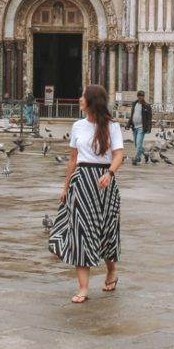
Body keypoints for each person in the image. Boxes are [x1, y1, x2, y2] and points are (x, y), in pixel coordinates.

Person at [48, 84, 124, 303]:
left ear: (92, 101)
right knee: (80, 232)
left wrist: (109, 173)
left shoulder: (112, 126)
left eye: (83, 97)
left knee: (106, 231)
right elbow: (73, 159)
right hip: (81, 182)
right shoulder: (78, 126)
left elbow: (118, 155)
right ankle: (83, 288)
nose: (79, 100)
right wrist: (64, 187)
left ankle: (111, 271)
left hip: (104, 184)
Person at [126, 90, 152, 166]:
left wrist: (149, 128)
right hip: (134, 127)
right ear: (137, 96)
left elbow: (149, 118)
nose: (141, 97)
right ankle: (146, 154)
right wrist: (128, 124)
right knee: (137, 145)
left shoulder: (147, 106)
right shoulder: (134, 104)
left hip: (142, 127)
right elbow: (132, 115)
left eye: (142, 96)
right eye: (139, 96)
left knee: (139, 143)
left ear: (144, 97)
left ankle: (137, 158)